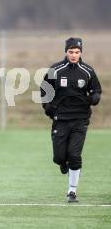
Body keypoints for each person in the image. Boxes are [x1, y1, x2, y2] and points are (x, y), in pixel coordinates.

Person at [40, 37, 101, 203]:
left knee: (75, 155)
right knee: (59, 157)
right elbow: (45, 90)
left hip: (80, 119)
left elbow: (96, 90)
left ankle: (72, 192)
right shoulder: (56, 69)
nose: (74, 55)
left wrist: (94, 97)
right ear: (66, 52)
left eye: (77, 52)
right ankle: (62, 162)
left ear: (81, 53)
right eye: (71, 52)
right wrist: (48, 108)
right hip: (61, 119)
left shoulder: (87, 71)